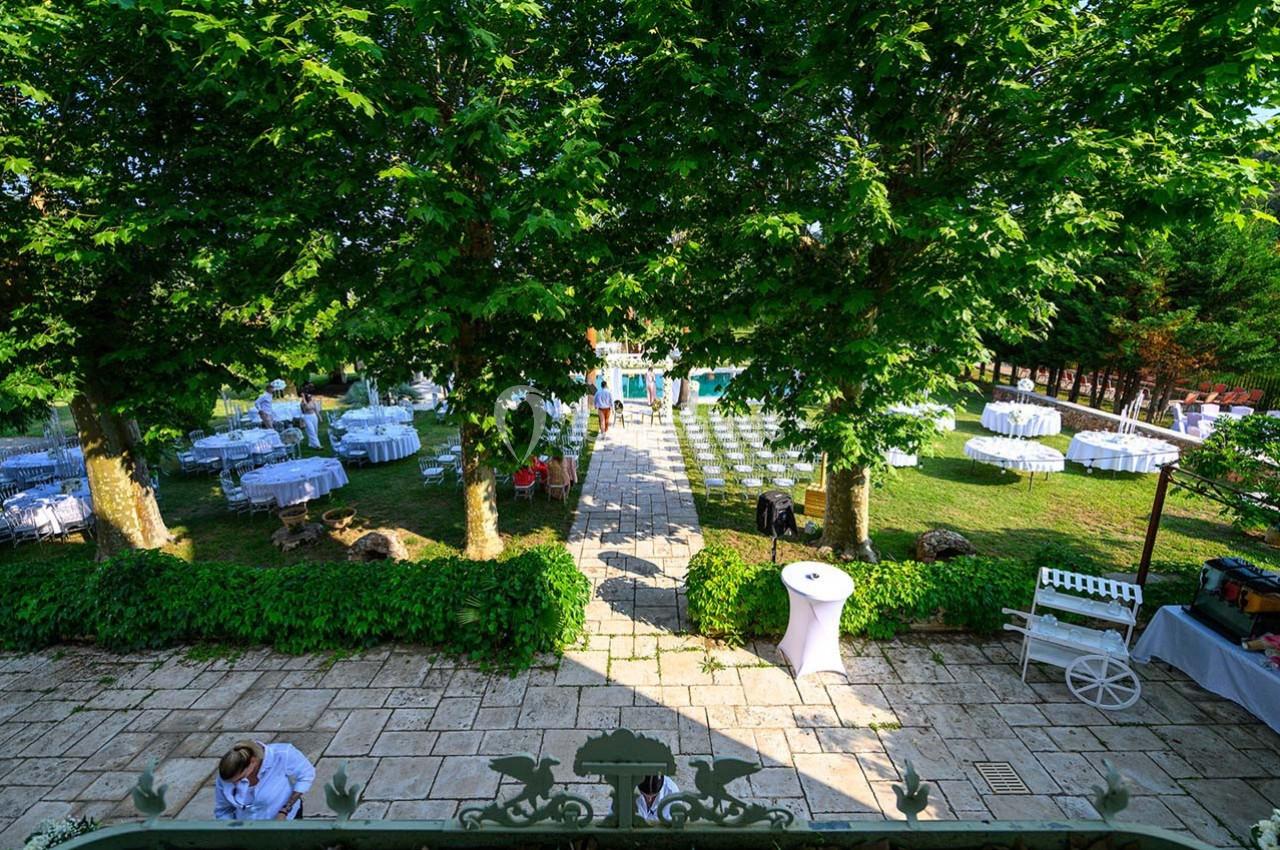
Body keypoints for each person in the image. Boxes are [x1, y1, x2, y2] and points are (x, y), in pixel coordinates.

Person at [214, 740, 315, 821]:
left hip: (286, 820)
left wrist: (284, 811)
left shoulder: (283, 754)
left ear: (253, 762)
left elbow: (306, 776)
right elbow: (223, 810)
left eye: (240, 778)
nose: (235, 784)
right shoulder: (228, 774)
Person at [299, 384, 322, 449]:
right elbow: (307, 407)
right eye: (309, 397)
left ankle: (311, 443)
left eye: (311, 397)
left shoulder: (313, 401)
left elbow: (316, 409)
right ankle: (317, 445)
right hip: (307, 417)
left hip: (314, 416)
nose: (311, 398)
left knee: (315, 431)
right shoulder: (303, 403)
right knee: (311, 431)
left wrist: (319, 417)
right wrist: (303, 398)